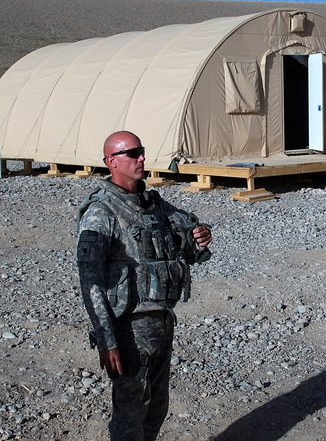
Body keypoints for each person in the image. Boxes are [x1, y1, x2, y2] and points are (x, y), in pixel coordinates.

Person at [76, 130, 213, 441]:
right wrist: (106, 337)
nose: (141, 158)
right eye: (132, 153)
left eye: (142, 151)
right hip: (129, 330)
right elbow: (90, 280)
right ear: (111, 161)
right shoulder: (101, 212)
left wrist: (200, 236)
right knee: (130, 415)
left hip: (162, 322)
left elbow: (186, 238)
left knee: (156, 408)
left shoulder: (154, 203)